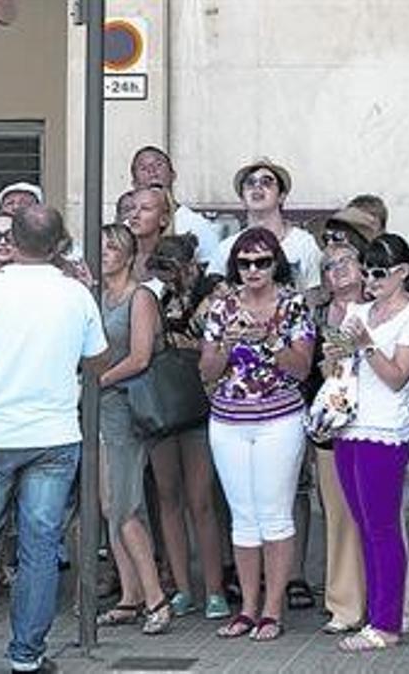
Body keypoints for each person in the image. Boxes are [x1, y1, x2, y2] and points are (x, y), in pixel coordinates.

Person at [0, 206, 108, 673]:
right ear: (59, 245)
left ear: (11, 242)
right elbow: (98, 362)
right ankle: (27, 654)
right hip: (54, 434)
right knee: (40, 544)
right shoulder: (75, 295)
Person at [200, 227, 315, 642]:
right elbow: (207, 372)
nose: (253, 270)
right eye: (245, 262)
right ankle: (247, 608)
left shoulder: (294, 306)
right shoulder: (221, 308)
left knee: (275, 513)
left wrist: (267, 338)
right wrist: (229, 345)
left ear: (275, 263)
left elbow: (301, 368)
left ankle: (273, 609)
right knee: (243, 518)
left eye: (262, 261)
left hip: (278, 419)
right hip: (228, 420)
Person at [325, 233, 409, 651]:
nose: (370, 280)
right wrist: (341, 349)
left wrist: (365, 343)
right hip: (348, 425)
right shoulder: (359, 308)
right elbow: (337, 364)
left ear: (403, 272)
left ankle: (387, 622)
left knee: (383, 528)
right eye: (366, 271)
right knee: (365, 527)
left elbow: (397, 377)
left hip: (385, 430)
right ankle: (377, 615)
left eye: (379, 272)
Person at [143, 234, 228, 621]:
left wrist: (176, 340)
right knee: (167, 497)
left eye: (171, 267)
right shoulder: (159, 298)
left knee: (201, 499)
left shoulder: (215, 290)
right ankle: (181, 586)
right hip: (165, 403)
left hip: (201, 402)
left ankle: (214, 589)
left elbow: (216, 342)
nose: (167, 276)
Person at [93, 224, 172, 635]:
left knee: (126, 507)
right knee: (109, 505)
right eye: (101, 245)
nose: (105, 252)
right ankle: (130, 595)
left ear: (129, 254)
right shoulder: (97, 296)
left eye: (113, 246)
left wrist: (97, 382)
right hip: (100, 411)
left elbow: (140, 357)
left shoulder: (140, 297)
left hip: (124, 407)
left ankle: (156, 597)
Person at [208, 159, 322, 291]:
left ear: (282, 196)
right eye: (250, 183)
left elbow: (316, 295)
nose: (257, 187)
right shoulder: (225, 248)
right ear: (242, 200)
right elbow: (211, 297)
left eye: (266, 182)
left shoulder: (304, 244)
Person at [129, 146, 220, 265]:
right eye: (143, 168)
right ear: (134, 183)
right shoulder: (128, 227)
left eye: (158, 165)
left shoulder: (197, 225)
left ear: (173, 175)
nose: (152, 172)